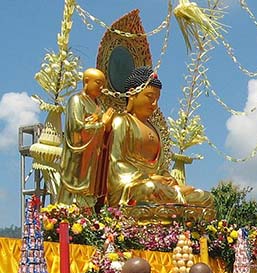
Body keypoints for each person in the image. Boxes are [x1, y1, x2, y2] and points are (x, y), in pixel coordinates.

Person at [105, 66, 213, 208]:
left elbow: (161, 168)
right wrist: (149, 178)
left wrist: (170, 180)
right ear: (132, 94)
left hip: (160, 188)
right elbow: (116, 164)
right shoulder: (122, 122)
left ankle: (175, 198)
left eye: (157, 99)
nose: (154, 104)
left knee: (206, 197)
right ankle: (176, 199)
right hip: (132, 187)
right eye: (150, 97)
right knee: (150, 189)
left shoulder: (155, 129)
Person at [58, 68, 115, 207]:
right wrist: (102, 124)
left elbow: (105, 133)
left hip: (94, 157)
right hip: (78, 157)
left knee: (90, 194)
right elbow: (77, 130)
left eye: (103, 84)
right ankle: (69, 214)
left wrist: (108, 127)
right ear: (86, 81)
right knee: (74, 196)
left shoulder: (98, 105)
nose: (101, 88)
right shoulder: (77, 100)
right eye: (98, 83)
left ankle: (88, 212)